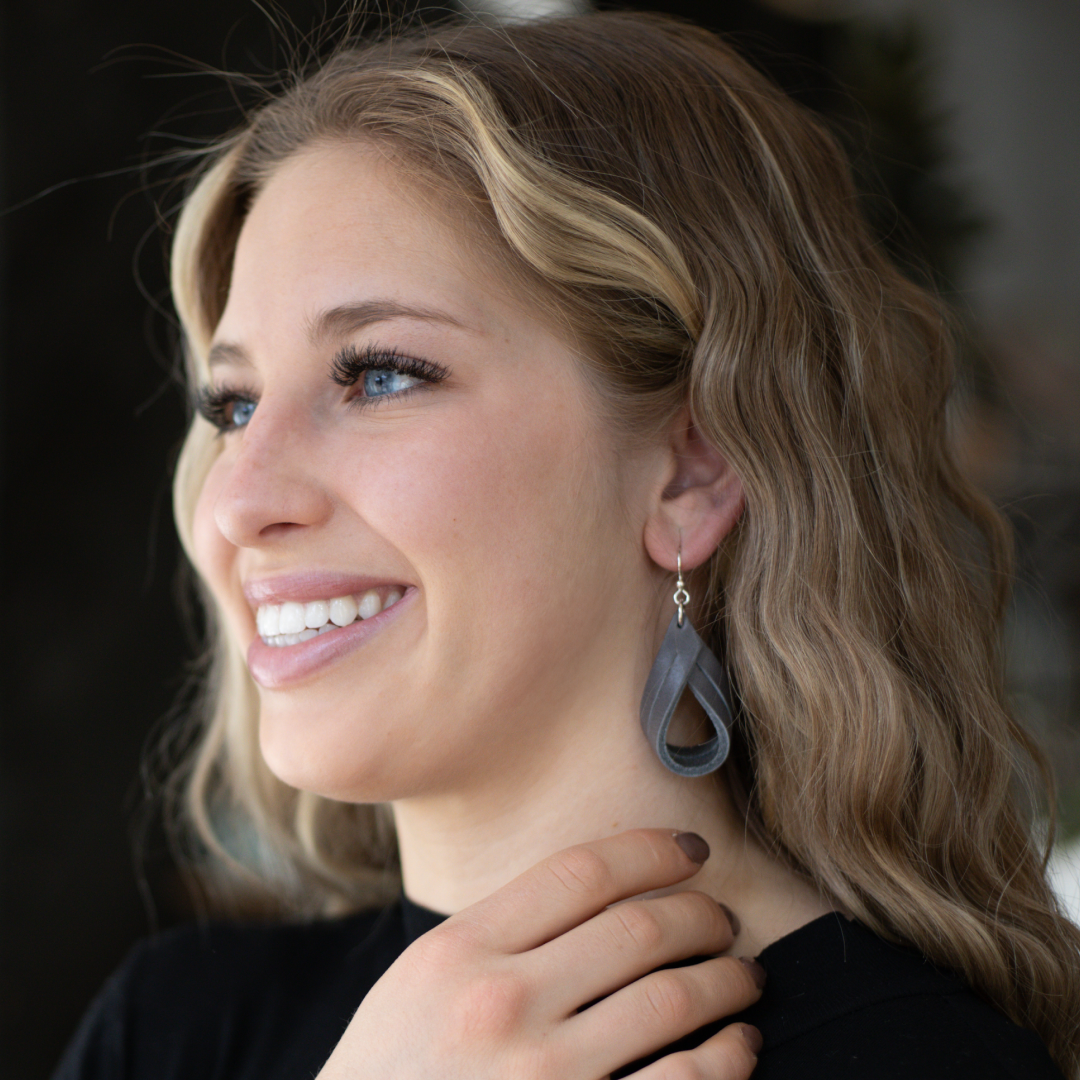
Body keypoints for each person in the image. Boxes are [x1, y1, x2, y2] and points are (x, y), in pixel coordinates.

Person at [54, 10, 1080, 1080]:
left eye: (380, 374)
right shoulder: (173, 1027)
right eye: (232, 406)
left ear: (691, 474)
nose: (236, 501)